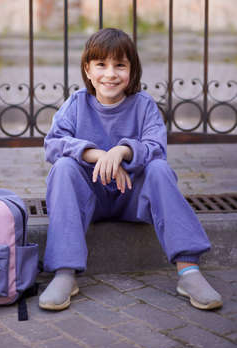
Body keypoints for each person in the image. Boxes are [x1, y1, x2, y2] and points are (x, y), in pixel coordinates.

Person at [39, 27, 222, 312]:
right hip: (91, 200)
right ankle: (65, 273)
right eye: (101, 64)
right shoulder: (76, 104)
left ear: (131, 70)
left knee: (159, 169)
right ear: (88, 70)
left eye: (120, 65)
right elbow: (53, 144)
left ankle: (188, 271)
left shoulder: (144, 105)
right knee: (63, 167)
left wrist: (122, 151)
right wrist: (100, 156)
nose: (110, 74)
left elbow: (155, 146)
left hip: (132, 198)